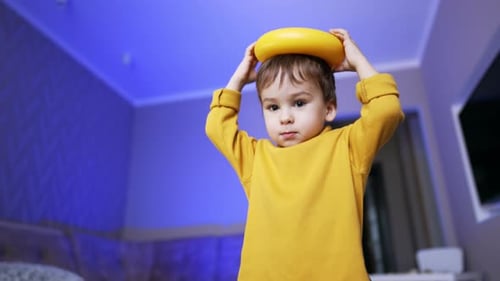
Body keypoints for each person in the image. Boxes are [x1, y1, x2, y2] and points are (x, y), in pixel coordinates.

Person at [205, 28, 404, 281]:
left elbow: (386, 110)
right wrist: (239, 79)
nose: (285, 117)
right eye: (273, 107)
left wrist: (357, 61)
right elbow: (216, 127)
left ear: (329, 108)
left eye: (299, 103)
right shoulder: (256, 158)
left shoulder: (348, 146)